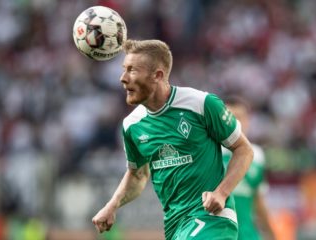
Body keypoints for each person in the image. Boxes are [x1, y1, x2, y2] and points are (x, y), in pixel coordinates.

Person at [92, 39, 254, 240]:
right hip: (175, 225)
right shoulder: (132, 125)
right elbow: (137, 175)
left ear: (158, 75)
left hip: (212, 218)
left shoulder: (201, 104)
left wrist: (221, 192)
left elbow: (244, 149)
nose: (123, 78)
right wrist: (111, 206)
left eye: (132, 70)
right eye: (124, 69)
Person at [222, 96, 276, 240]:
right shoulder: (211, 154)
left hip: (248, 235)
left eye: (239, 117)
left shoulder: (257, 156)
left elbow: (258, 201)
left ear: (248, 120)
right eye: (230, 118)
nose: (235, 123)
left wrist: (271, 234)